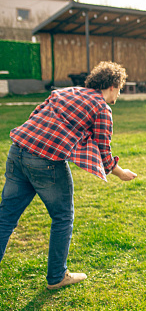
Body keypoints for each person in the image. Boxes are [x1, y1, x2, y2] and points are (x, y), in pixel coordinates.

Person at [0, 61, 137, 290]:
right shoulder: (102, 108)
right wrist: (120, 172)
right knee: (63, 217)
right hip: (46, 162)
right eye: (120, 88)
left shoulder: (64, 92)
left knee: (5, 218)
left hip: (18, 150)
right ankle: (57, 276)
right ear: (113, 86)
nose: (119, 94)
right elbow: (104, 150)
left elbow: (36, 115)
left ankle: (57, 274)